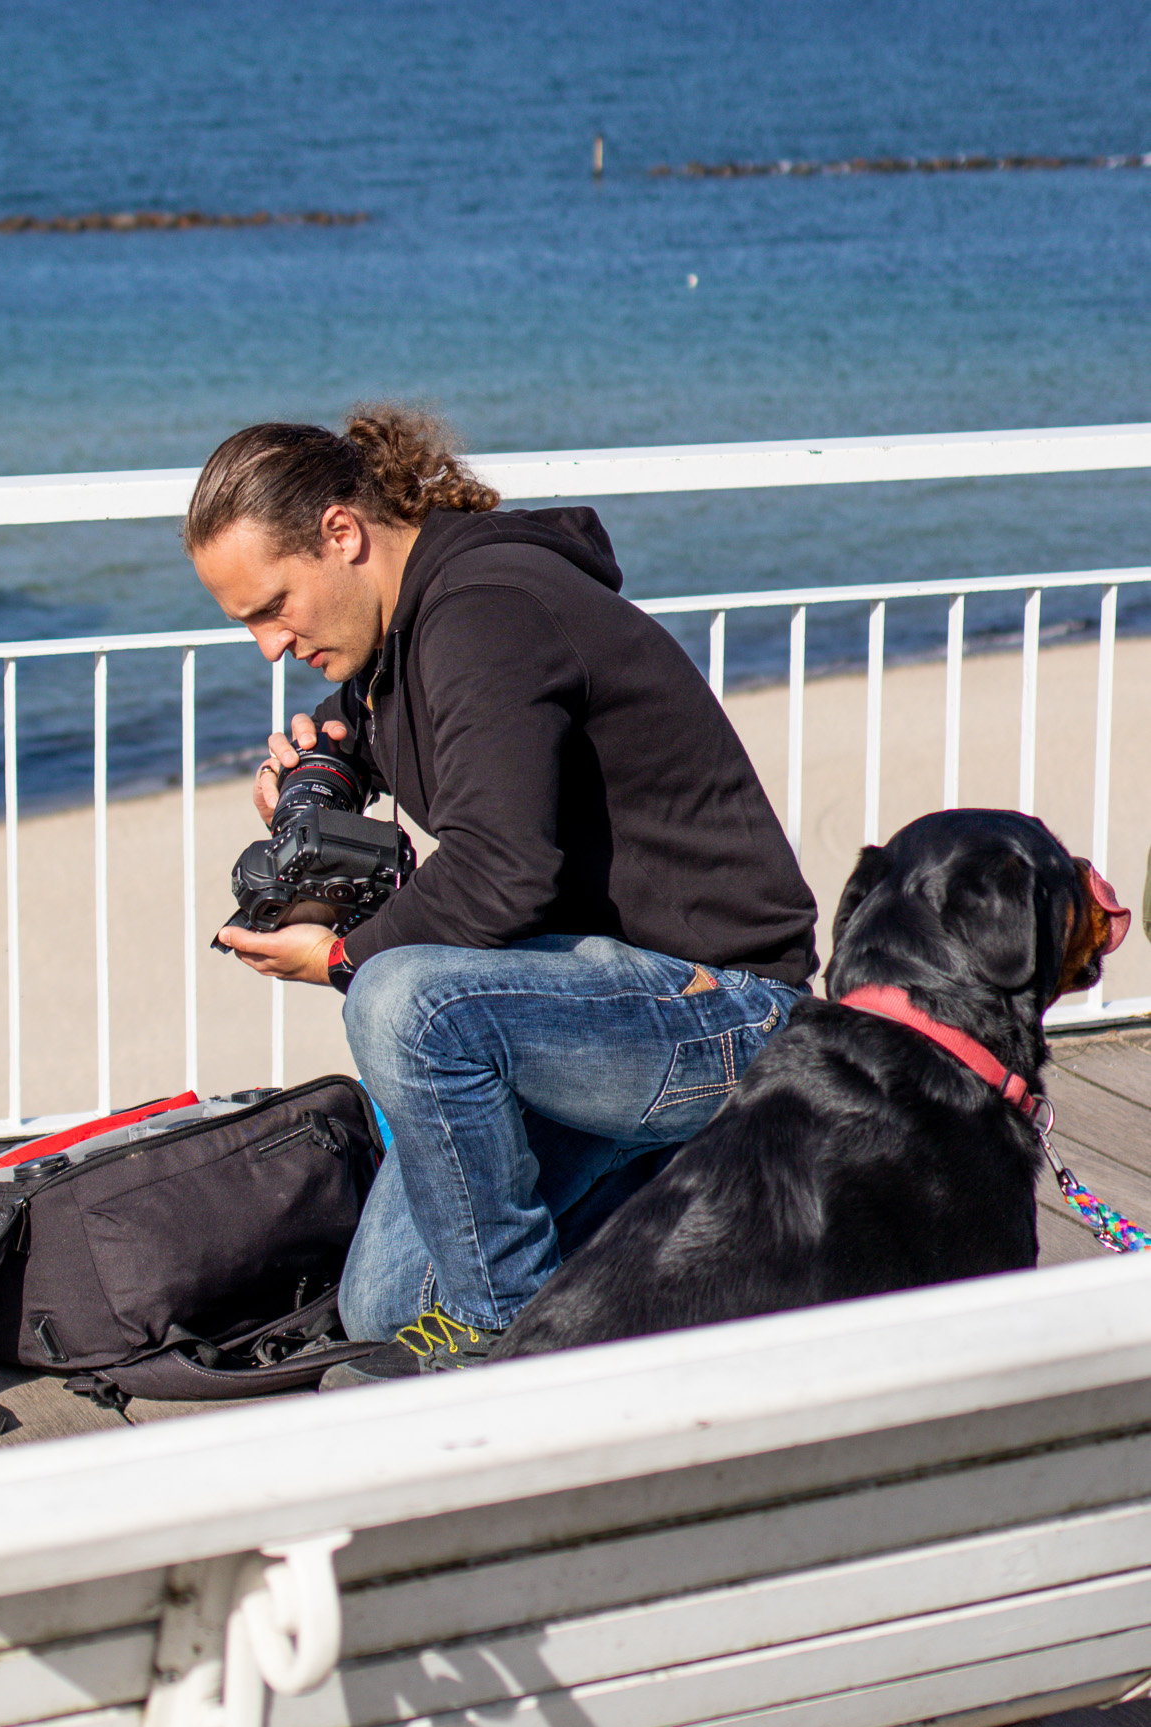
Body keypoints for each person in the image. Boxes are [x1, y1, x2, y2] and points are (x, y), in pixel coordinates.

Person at [184, 407, 818, 1384]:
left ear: (342, 533)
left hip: (725, 1015)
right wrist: (323, 782)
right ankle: (680, 1240)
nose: (271, 644)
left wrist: (340, 958)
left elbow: (501, 870)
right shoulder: (398, 631)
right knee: (386, 1306)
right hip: (598, 1009)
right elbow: (355, 726)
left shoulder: (487, 611)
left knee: (401, 1001)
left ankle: (515, 1341)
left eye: (275, 605)